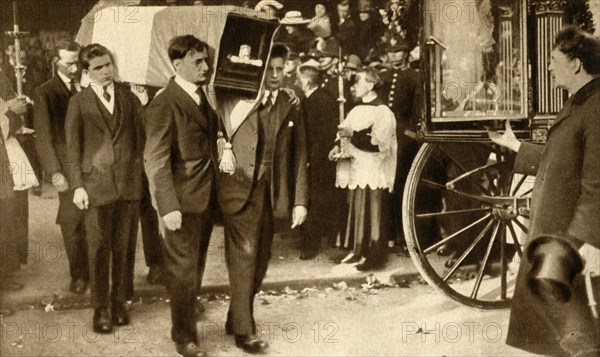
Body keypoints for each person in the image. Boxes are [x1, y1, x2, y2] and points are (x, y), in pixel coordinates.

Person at [489, 26, 600, 357]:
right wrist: (515, 146)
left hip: (569, 244)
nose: (549, 67)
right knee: (565, 336)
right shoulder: (580, 105)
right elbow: (561, 159)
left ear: (576, 63)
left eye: (553, 60)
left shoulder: (594, 109)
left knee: (580, 338)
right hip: (557, 239)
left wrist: (588, 242)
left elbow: (596, 184)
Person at [216, 43, 308, 354]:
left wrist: (300, 200)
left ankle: (235, 316)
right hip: (239, 191)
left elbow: (300, 154)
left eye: (280, 70)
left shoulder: (290, 102)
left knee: (261, 261)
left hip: (274, 193)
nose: (275, 75)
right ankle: (246, 330)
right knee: (244, 257)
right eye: (269, 69)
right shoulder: (235, 98)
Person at [64, 43, 145, 334]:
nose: (106, 71)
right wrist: (77, 186)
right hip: (95, 188)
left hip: (127, 186)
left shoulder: (129, 97)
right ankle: (100, 310)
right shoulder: (79, 102)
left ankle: (119, 303)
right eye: (98, 68)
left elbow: (142, 137)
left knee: (123, 248)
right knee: (98, 250)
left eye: (108, 64)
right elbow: (72, 150)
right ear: (87, 72)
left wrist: (145, 104)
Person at [144, 35, 216, 357]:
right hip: (181, 203)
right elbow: (156, 159)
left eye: (205, 60)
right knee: (183, 270)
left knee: (195, 266)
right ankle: (183, 337)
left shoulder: (202, 96)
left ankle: (187, 307)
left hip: (204, 198)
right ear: (177, 65)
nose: (205, 66)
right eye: (197, 62)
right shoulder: (164, 103)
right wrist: (168, 206)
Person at [33, 40, 89, 295]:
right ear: (56, 63)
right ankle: (78, 275)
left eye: (77, 62)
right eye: (69, 63)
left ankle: (94, 271)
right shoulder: (45, 92)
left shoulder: (88, 86)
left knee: (93, 221)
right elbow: (43, 137)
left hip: (92, 165)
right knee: (72, 222)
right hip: (66, 168)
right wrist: (54, 172)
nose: (75, 68)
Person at [330, 67, 396, 271]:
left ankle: (374, 254)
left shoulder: (383, 112)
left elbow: (378, 143)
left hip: (373, 166)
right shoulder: (356, 109)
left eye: (358, 83)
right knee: (357, 207)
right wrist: (336, 146)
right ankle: (357, 249)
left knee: (373, 209)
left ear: (370, 85)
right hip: (358, 167)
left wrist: (353, 134)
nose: (353, 87)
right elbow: (343, 132)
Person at [296, 60, 345, 260]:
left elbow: (321, 135)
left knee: (314, 201)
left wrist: (309, 159)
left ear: (306, 82)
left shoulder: (319, 100)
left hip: (318, 160)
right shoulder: (316, 98)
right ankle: (311, 239)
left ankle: (311, 244)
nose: (296, 84)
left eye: (299, 81)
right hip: (315, 159)